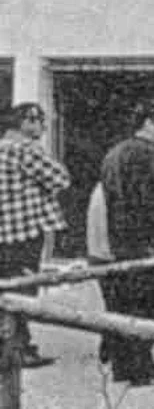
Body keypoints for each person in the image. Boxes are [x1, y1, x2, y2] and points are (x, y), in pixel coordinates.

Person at [99, 99, 154, 386]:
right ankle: (143, 367)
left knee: (123, 305)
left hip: (120, 244)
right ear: (148, 122)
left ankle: (123, 367)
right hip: (148, 245)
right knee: (148, 308)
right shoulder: (150, 156)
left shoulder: (114, 154)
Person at [0, 103, 71, 368]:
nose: (43, 126)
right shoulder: (26, 150)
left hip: (3, 231)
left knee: (6, 287)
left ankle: (13, 345)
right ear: (24, 122)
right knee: (24, 290)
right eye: (39, 120)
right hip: (25, 229)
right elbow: (61, 179)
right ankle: (18, 349)